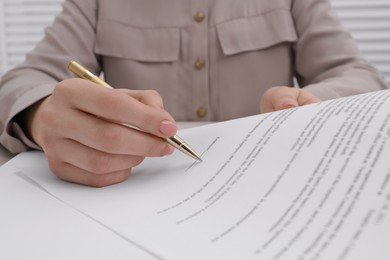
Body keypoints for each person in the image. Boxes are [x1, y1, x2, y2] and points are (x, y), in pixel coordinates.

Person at [0, 0, 387, 187]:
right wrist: (40, 113)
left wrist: (311, 104)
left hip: (267, 187)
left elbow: (357, 73)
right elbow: (25, 79)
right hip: (132, 197)